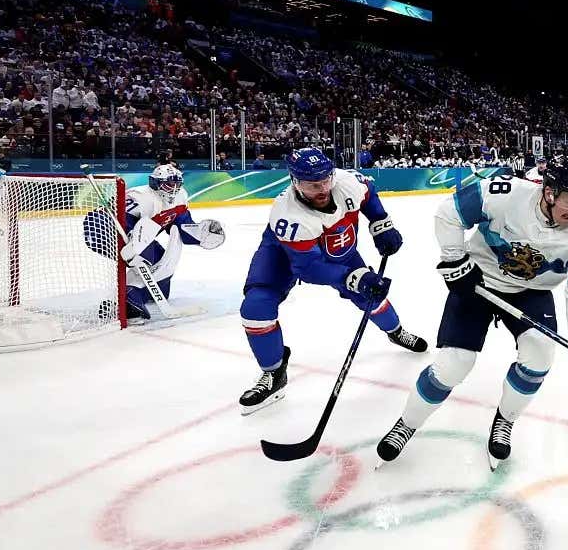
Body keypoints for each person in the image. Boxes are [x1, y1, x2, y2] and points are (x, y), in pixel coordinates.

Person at [376, 155, 568, 470]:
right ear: (549, 193)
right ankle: (408, 422)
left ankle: (505, 419)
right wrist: (455, 260)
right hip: (478, 281)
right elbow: (449, 212)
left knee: (539, 356)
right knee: (454, 365)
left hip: (531, 293)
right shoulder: (506, 194)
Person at [238, 147, 427, 414]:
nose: (323, 189)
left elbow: (369, 195)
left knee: (371, 295)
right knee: (256, 307)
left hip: (335, 243)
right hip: (283, 251)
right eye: (313, 185)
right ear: (295, 182)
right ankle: (274, 372)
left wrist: (381, 223)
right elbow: (308, 268)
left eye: (326, 180)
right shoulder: (287, 214)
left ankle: (395, 331)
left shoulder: (347, 182)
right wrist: (354, 277)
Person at [120, 162, 225, 321]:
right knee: (147, 258)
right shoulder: (141, 196)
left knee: (161, 280)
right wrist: (131, 241)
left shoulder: (180, 196)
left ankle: (137, 293)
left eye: (177, 184)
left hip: (139, 236)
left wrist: (199, 235)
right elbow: (119, 218)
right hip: (104, 229)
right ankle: (128, 296)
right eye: (169, 184)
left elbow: (181, 225)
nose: (174, 189)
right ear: (156, 183)